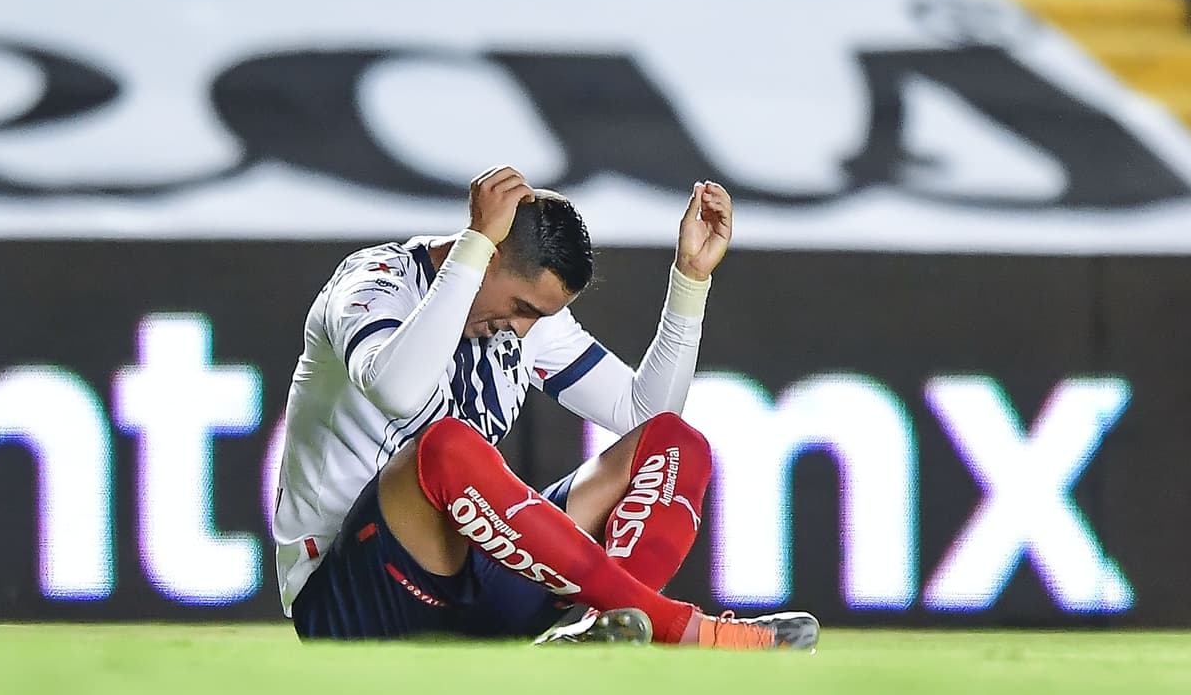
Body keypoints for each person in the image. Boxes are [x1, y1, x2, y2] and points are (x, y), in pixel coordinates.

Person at [273, 165, 818, 648]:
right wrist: (475, 242)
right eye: (520, 306)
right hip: (354, 595)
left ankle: (608, 629)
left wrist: (689, 284)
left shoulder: (527, 320)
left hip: (479, 580)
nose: (522, 328)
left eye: (538, 315)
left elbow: (645, 416)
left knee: (677, 444)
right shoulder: (373, 285)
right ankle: (683, 629)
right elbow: (397, 390)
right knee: (445, 447)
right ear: (486, 256)